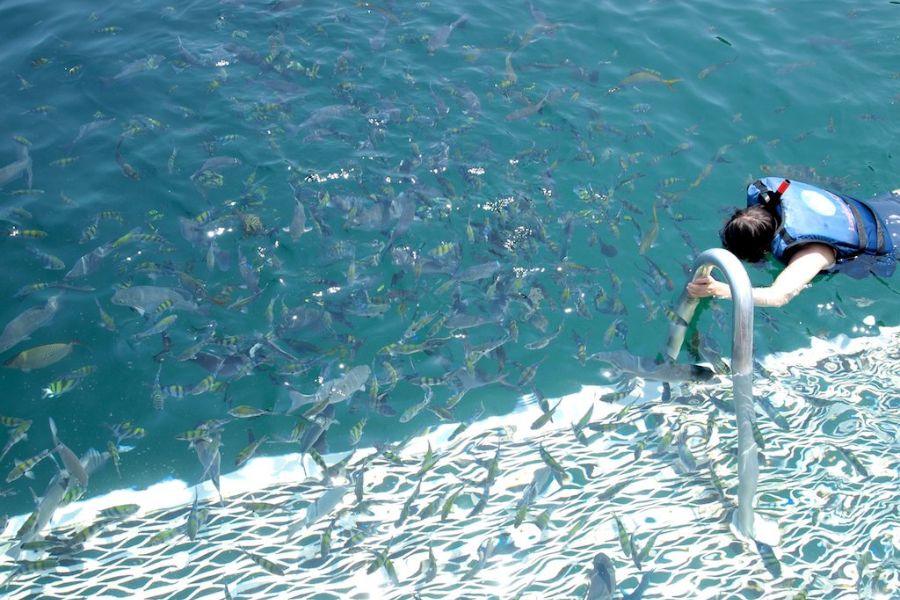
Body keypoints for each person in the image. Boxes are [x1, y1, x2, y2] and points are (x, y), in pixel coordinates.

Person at [687, 177, 899, 307]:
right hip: (887, 204)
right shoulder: (775, 202)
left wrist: (718, 289)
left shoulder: (813, 252)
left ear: (761, 249)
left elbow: (778, 297)